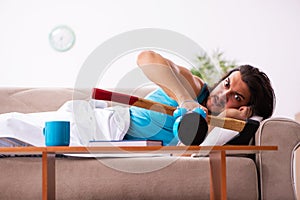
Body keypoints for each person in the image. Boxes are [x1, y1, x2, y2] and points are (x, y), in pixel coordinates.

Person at [124, 51, 276, 146]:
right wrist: (185, 99)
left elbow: (187, 151)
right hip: (111, 126)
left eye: (236, 97)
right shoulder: (196, 88)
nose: (222, 95)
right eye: (226, 84)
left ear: (243, 108)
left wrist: (223, 117)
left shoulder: (212, 128)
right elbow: (146, 58)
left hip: (125, 150)